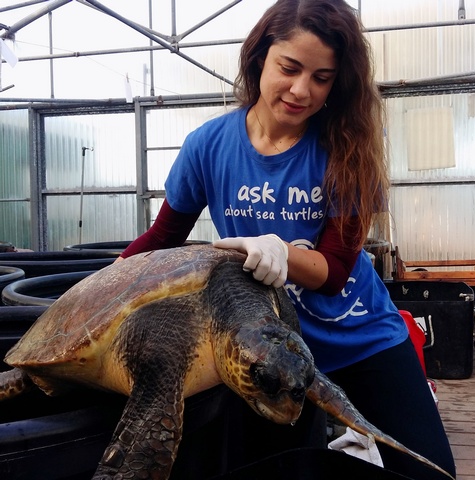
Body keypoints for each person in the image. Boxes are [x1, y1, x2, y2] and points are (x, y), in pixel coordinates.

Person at [117, 0, 456, 478]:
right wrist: (98, 287)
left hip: (361, 338)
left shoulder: (346, 146)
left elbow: (334, 272)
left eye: (322, 78)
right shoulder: (208, 146)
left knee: (430, 471)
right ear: (260, 58)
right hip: (267, 349)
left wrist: (280, 249)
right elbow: (162, 237)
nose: (302, 90)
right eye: (290, 68)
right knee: (277, 470)